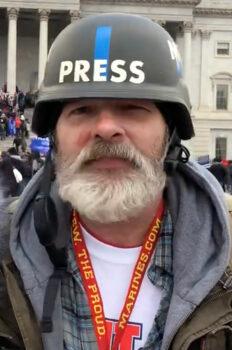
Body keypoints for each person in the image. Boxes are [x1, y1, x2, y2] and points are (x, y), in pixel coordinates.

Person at [0, 13, 231, 350]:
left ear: (171, 136)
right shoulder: (5, 251)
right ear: (54, 137)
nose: (106, 127)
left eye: (131, 107)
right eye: (82, 109)